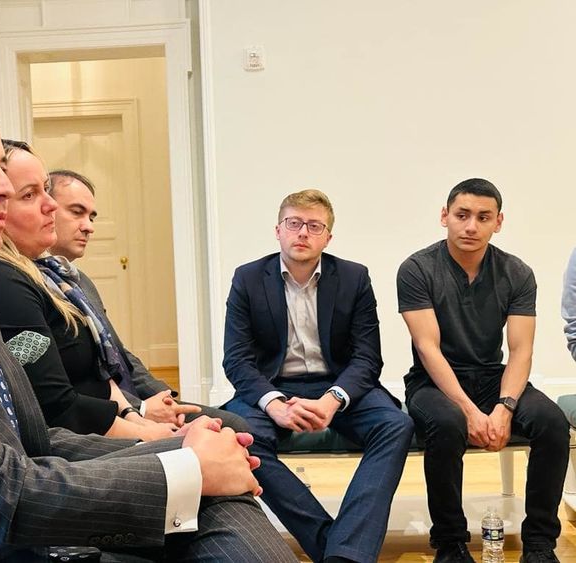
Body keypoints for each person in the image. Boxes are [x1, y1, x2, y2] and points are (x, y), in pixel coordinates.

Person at [0, 90, 298, 563]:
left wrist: (187, 454)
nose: (3, 189)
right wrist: (188, 469)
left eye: (0, 169)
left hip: (16, 527)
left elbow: (33, 441)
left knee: (223, 483)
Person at [222, 189, 414, 563]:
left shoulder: (354, 278)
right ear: (278, 230)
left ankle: (344, 550)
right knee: (240, 437)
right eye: (294, 223)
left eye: (314, 226)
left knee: (395, 425)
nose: (303, 233)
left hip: (338, 385)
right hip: (273, 387)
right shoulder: (247, 279)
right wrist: (273, 404)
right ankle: (338, 547)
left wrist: (334, 399)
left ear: (328, 237)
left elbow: (367, 357)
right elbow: (238, 360)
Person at [397, 178, 569, 563]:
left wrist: (504, 407)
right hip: (433, 381)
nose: (471, 225)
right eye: (462, 215)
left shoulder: (517, 272)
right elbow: (428, 348)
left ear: (499, 221)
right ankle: (451, 543)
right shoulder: (417, 269)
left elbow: (521, 349)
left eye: (483, 217)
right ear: (445, 217)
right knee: (446, 425)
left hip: (493, 376)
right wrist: (471, 412)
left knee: (552, 424)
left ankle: (540, 544)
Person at [0, 142, 180, 442]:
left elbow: (105, 368)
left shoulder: (55, 278)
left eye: (46, 190)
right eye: (29, 195)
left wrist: (135, 415)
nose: (50, 204)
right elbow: (56, 407)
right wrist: (151, 433)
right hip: (68, 442)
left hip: (107, 419)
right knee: (221, 456)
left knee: (225, 439)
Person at [47, 169, 246, 431]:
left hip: (135, 403)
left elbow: (120, 356)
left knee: (237, 425)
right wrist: (139, 410)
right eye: (76, 212)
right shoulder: (35, 287)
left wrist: (165, 398)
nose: (89, 226)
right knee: (231, 430)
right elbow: (81, 382)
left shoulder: (80, 281)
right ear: (47, 209)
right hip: (108, 416)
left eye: (91, 216)